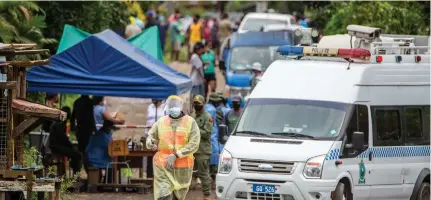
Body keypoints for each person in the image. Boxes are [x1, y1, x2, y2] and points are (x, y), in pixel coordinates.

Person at [146, 95, 200, 200]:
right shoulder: (161, 122)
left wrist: (177, 155)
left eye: (176, 106)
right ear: (167, 107)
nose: (173, 108)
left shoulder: (190, 122)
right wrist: (150, 142)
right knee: (163, 194)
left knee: (179, 197)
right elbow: (151, 136)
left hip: (182, 168)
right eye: (171, 106)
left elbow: (194, 143)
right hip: (163, 166)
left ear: (181, 107)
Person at [86, 112, 125, 182]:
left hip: (90, 158)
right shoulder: (105, 137)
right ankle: (110, 182)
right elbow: (111, 151)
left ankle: (107, 181)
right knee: (113, 163)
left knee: (111, 161)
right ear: (110, 127)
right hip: (97, 160)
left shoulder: (98, 134)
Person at [190, 95, 213, 200]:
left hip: (203, 150)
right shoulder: (192, 116)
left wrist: (195, 129)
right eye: (195, 103)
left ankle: (207, 196)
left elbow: (207, 134)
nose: (196, 105)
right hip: (192, 149)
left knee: (203, 174)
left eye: (198, 103)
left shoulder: (207, 117)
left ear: (203, 104)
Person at [49, 106, 82, 175]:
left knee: (75, 153)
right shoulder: (60, 122)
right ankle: (75, 175)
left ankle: (73, 173)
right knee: (77, 155)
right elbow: (62, 137)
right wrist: (70, 145)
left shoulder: (58, 121)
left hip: (56, 145)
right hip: (56, 146)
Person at [70, 95, 96, 170]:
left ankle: (81, 168)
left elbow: (73, 116)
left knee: (82, 150)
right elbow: (92, 117)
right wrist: (95, 130)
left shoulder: (77, 102)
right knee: (87, 150)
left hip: (80, 128)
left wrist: (73, 127)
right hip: (88, 129)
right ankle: (87, 168)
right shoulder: (90, 102)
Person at [145, 99, 165, 178]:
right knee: (150, 156)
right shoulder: (150, 107)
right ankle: (149, 177)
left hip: (161, 136)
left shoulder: (164, 108)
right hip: (150, 135)